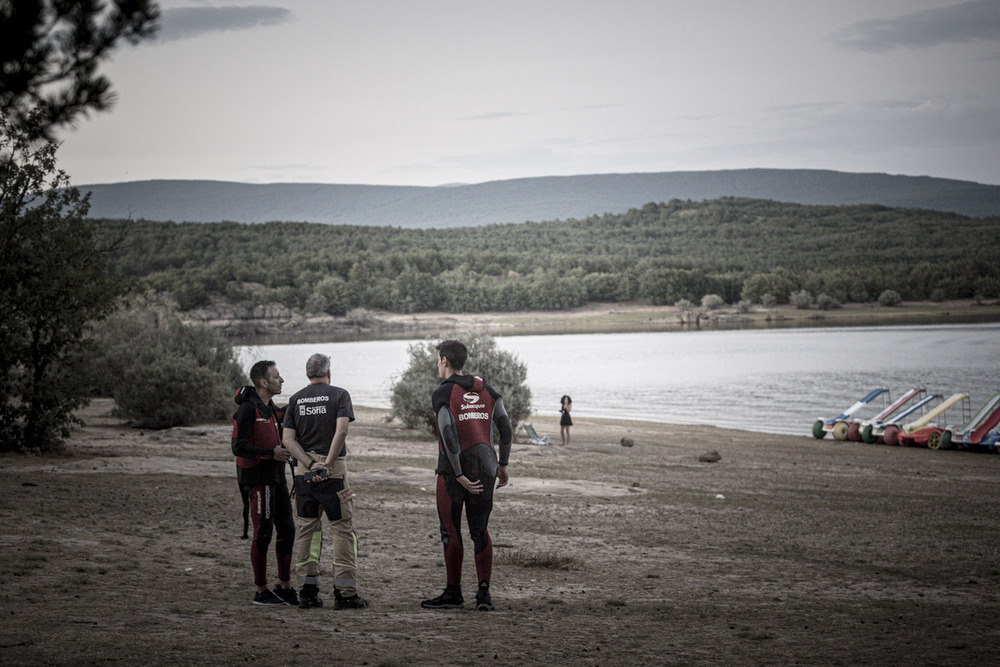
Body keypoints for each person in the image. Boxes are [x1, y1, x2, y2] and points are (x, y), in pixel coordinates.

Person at [422, 339, 513, 612]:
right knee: (480, 530)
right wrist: (503, 465)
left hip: (453, 472)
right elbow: (505, 429)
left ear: (445, 361)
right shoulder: (487, 389)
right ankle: (483, 595)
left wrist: (458, 473)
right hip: (486, 467)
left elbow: (448, 433)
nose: (438, 365)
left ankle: (453, 593)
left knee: (451, 531)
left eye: (438, 360)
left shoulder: (443, 393)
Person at [282, 353, 369, 610]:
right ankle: (345, 593)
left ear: (308, 374)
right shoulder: (340, 394)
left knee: (308, 531)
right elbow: (341, 430)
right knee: (342, 531)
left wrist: (309, 464)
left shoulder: (296, 399)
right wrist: (327, 465)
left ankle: (307, 593)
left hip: (304, 475)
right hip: (334, 474)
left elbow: (288, 440)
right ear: (328, 373)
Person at [231, 360, 297, 606]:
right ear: (263, 382)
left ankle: (284, 586)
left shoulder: (272, 409)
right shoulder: (248, 410)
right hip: (258, 481)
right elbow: (237, 447)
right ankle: (261, 590)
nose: (281, 381)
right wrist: (271, 453)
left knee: (288, 530)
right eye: (277, 377)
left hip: (277, 478)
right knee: (263, 533)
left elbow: (291, 410)